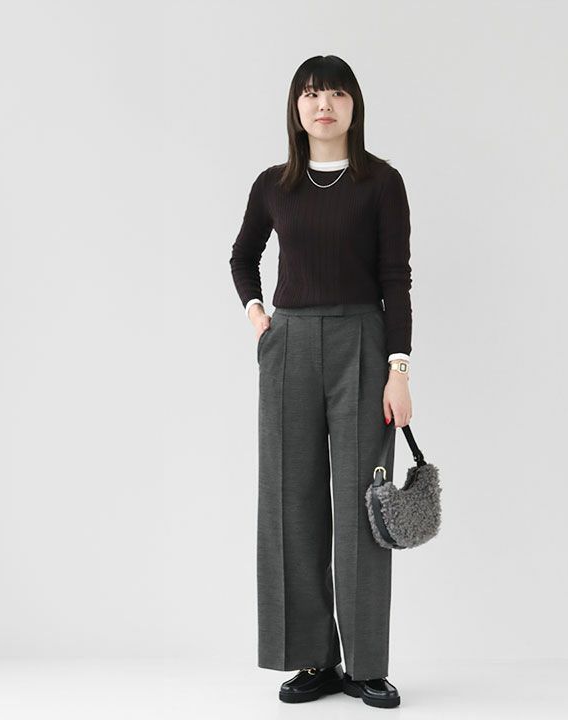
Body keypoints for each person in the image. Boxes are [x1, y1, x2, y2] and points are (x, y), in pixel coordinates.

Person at [229, 55, 413, 709]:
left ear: (354, 105)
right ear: (296, 107)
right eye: (310, 94)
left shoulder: (381, 182)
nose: (323, 104)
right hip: (290, 347)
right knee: (291, 502)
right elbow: (242, 256)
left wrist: (398, 368)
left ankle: (365, 666)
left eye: (336, 93)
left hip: (363, 343)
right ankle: (313, 659)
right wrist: (259, 319)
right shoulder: (273, 185)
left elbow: (396, 277)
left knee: (364, 507)